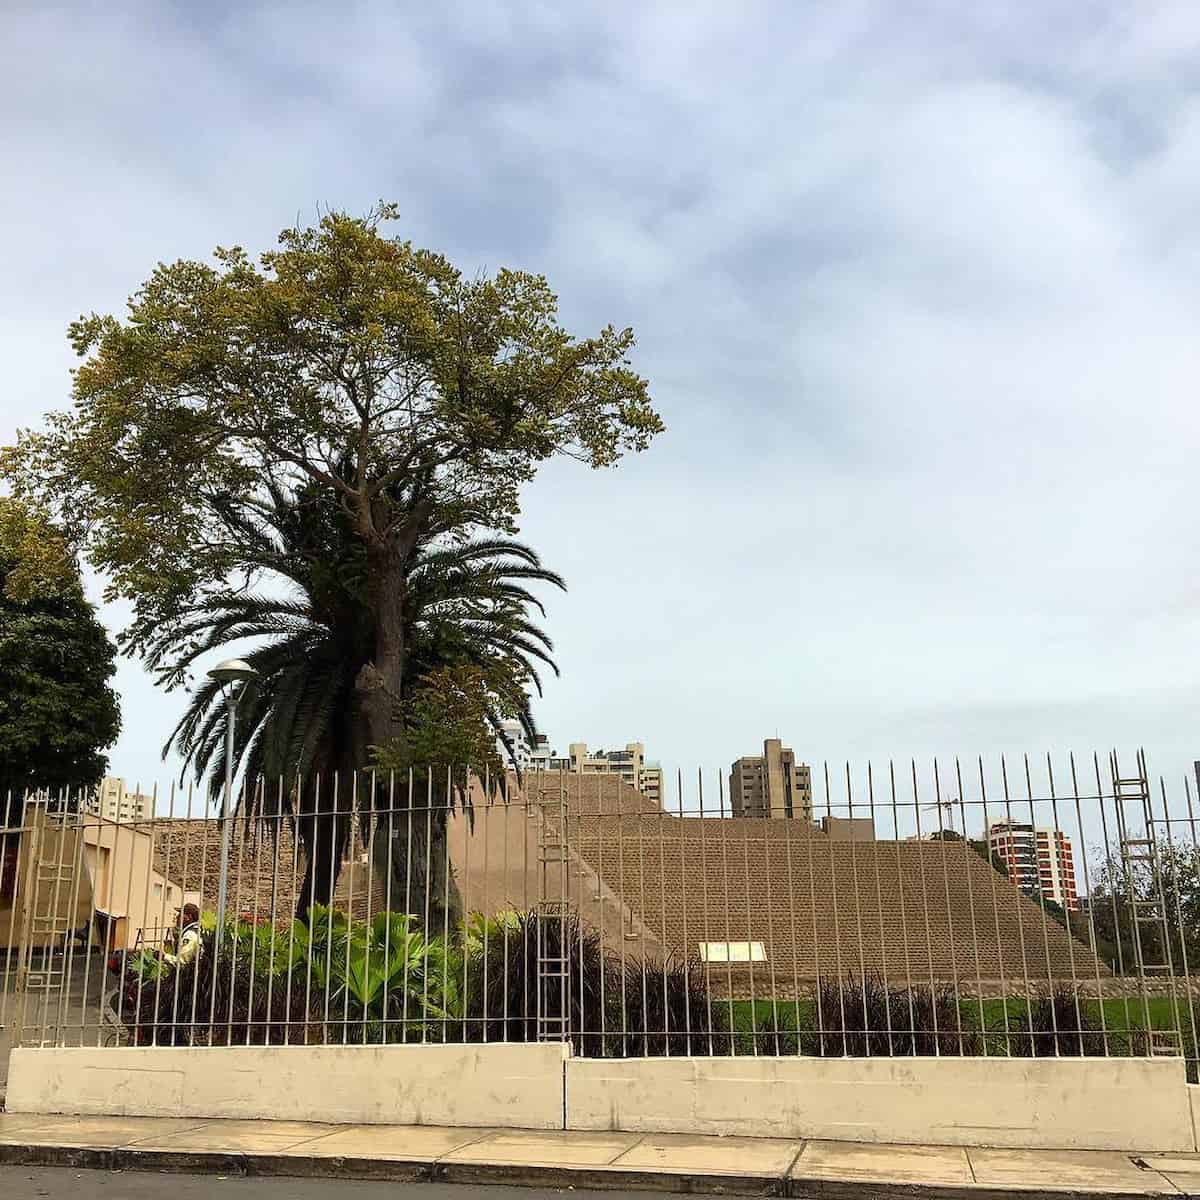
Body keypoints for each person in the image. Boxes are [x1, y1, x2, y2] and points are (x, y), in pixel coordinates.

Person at [164, 903, 202, 967]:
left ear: (189, 917)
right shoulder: (197, 932)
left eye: (181, 914)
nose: (177, 917)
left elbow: (182, 962)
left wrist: (163, 956)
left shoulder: (190, 935)